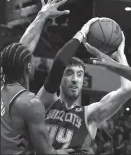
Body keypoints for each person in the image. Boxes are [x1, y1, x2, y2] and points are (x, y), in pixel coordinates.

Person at [37, 17, 131, 153]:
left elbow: (127, 89)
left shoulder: (90, 115)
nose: (75, 79)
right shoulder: (46, 102)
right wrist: (83, 31)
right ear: (60, 78)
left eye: (79, 75)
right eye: (69, 73)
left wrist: (120, 55)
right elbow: (60, 62)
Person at [1, 0, 74, 155]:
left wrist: (42, 15)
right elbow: (46, 152)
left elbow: (22, 48)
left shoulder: (2, 84)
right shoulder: (31, 103)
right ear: (28, 67)